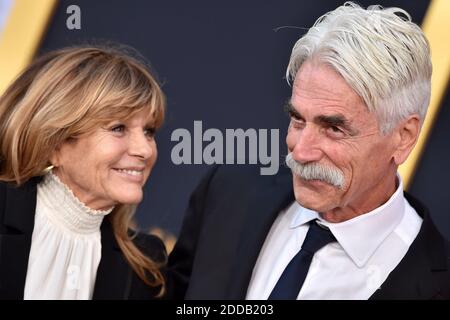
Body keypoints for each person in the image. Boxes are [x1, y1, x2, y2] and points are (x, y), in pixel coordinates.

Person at [168, 2, 450, 299]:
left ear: (403, 137)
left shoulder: (437, 285)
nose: (300, 153)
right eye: (298, 120)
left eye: (334, 129)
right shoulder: (227, 195)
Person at [0, 46, 167, 299]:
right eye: (118, 128)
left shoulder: (145, 265)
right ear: (55, 144)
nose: (144, 149)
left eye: (149, 131)